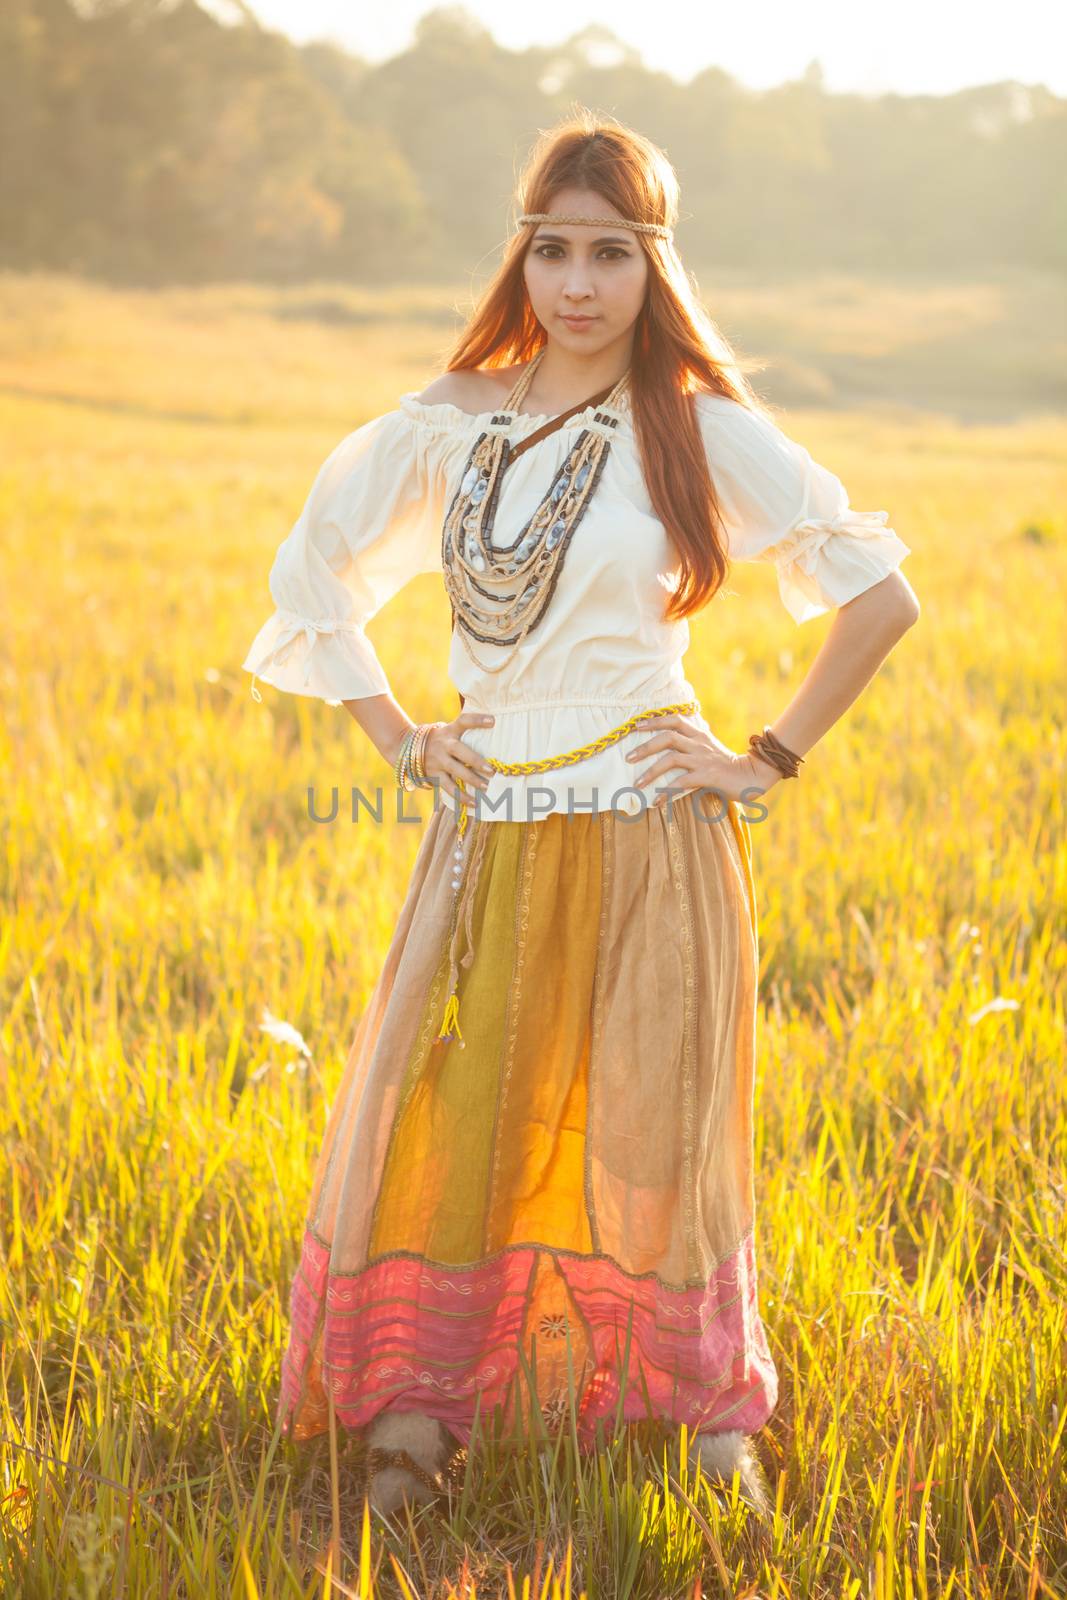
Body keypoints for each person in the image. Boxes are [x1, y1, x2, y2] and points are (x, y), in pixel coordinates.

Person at [241, 112, 919, 1520]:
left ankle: (702, 1412)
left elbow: (878, 596)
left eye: (612, 251)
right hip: (490, 828)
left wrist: (765, 757)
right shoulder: (454, 418)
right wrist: (394, 732)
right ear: (524, 254)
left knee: (648, 1133)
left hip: (651, 823)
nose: (579, 283)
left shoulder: (696, 426)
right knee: (468, 1106)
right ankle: (422, 1406)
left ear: (655, 264)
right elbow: (315, 572)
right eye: (553, 248)